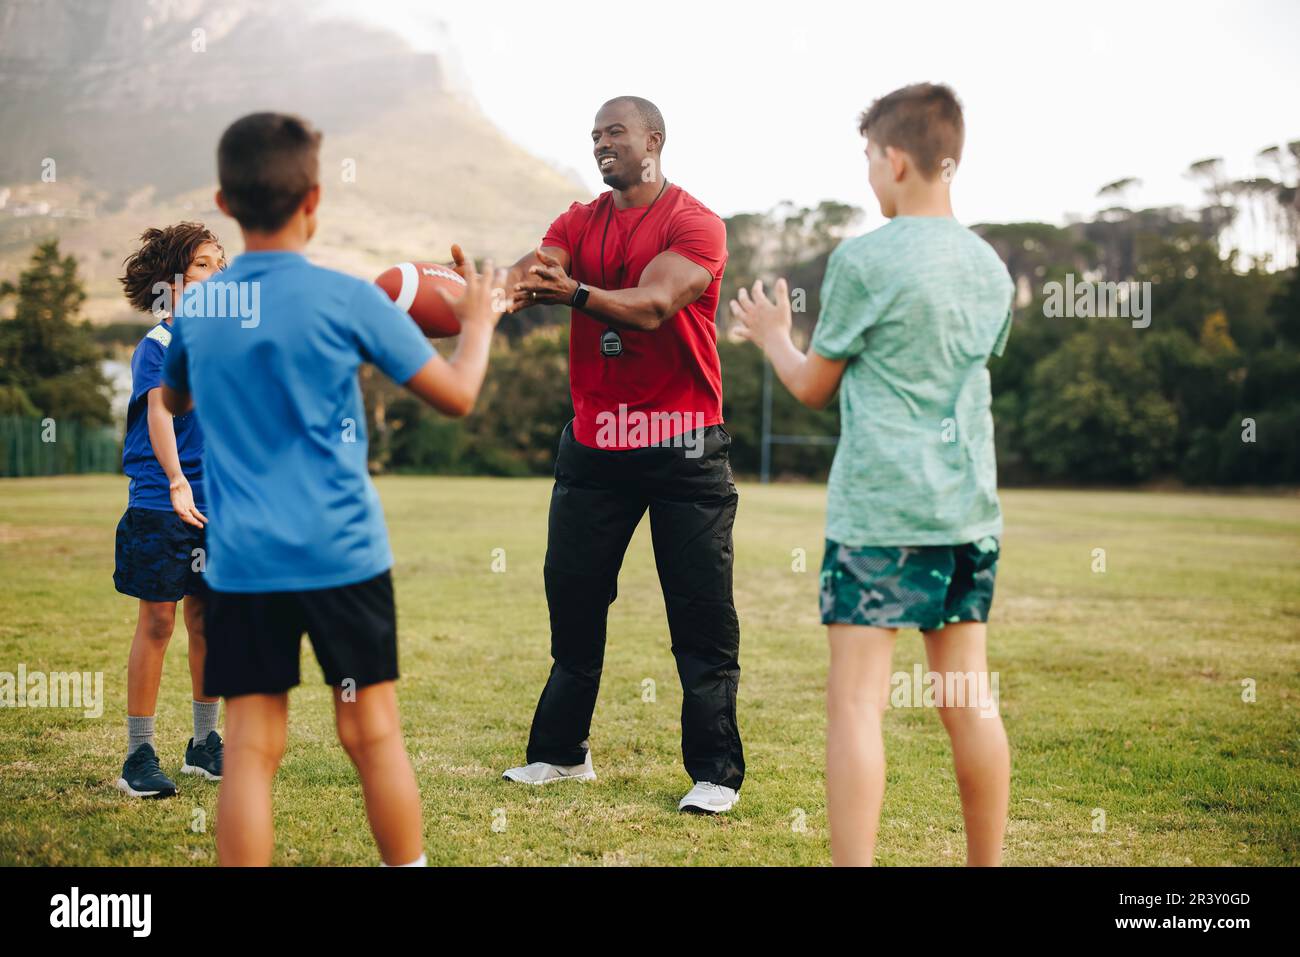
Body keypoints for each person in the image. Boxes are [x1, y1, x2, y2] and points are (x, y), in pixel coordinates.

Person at [161, 111, 505, 865]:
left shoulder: (200, 310)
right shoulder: (350, 300)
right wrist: (479, 321)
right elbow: (455, 395)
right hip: (342, 553)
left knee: (251, 746)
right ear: (315, 200)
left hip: (246, 561)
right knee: (371, 731)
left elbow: (176, 399)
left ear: (224, 201)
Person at [728, 83, 1014, 864]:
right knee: (966, 698)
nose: (866, 176)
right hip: (965, 515)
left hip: (880, 516)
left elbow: (814, 385)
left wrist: (774, 334)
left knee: (856, 702)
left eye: (866, 160)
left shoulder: (863, 259)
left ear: (894, 160)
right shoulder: (991, 268)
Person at [480, 95, 744, 813]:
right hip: (596, 445)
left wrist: (571, 295)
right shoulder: (577, 219)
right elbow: (541, 266)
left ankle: (715, 774)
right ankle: (561, 755)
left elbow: (656, 303)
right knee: (572, 598)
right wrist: (478, 292)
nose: (601, 143)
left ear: (653, 140)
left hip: (684, 446)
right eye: (595, 134)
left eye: (615, 132)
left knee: (699, 613)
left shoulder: (695, 223)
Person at [114, 223, 226, 798]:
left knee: (206, 619)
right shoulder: (157, 346)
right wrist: (179, 482)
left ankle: (204, 745)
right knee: (158, 622)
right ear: (172, 283)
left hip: (216, 504)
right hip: (162, 500)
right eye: (205, 264)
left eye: (220, 264)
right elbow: (161, 413)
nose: (218, 274)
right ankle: (139, 753)